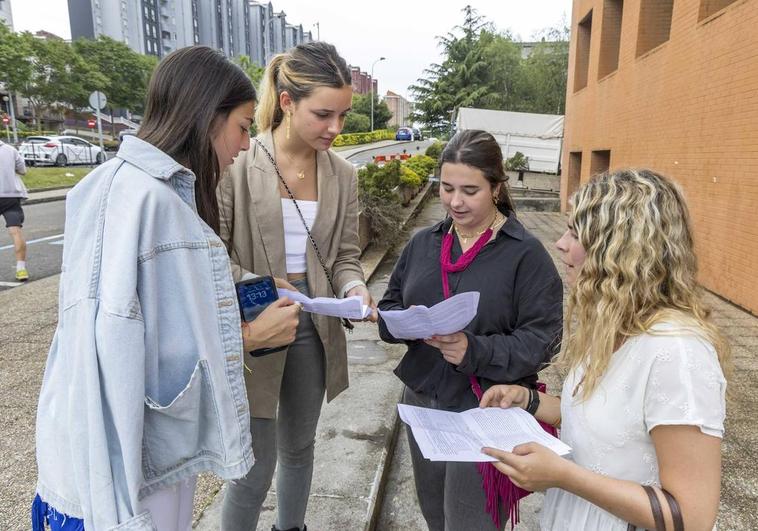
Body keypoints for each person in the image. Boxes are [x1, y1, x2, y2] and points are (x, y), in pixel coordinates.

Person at [33, 46, 300, 531]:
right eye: (242, 126)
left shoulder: (140, 191)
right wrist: (250, 339)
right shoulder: (146, 202)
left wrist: (241, 290)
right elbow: (110, 352)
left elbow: (171, 313)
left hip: (143, 454)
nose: (244, 145)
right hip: (129, 467)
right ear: (204, 116)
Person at [481, 169, 730, 531]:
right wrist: (529, 401)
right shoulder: (612, 326)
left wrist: (564, 476)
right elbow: (608, 425)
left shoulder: (677, 354)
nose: (560, 243)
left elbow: (691, 517)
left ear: (624, 250)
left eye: (576, 233)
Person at [218, 41, 375, 531]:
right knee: (252, 463)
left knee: (300, 447)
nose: (336, 129)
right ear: (287, 102)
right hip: (255, 321)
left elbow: (346, 256)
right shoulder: (239, 162)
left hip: (315, 322)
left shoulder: (343, 174)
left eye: (343, 115)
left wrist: (354, 290)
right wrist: (263, 288)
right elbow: (213, 253)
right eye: (323, 114)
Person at [377, 129, 564, 531]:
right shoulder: (424, 243)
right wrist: (406, 326)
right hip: (423, 397)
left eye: (469, 190)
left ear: (497, 188)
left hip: (485, 406)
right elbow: (389, 306)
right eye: (446, 188)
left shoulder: (525, 254)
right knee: (434, 511)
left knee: (470, 520)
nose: (455, 202)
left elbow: (543, 339)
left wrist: (473, 350)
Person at [0, 137, 29, 281]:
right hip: (10, 196)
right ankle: (21, 269)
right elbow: (23, 170)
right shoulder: (11, 150)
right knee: (15, 231)